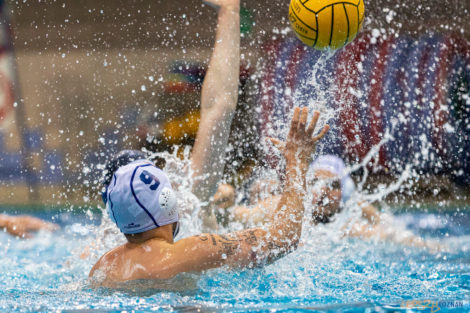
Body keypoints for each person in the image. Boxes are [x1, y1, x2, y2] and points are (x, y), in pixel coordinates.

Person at [90, 107, 329, 287]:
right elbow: (283, 237)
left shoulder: (103, 267)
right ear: (166, 202)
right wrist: (296, 161)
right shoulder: (190, 252)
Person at [214, 155, 443, 250]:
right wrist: (226, 200)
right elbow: (234, 216)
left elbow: (394, 234)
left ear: (344, 193)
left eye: (333, 186)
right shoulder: (283, 207)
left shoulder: (348, 224)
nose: (323, 192)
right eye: (315, 183)